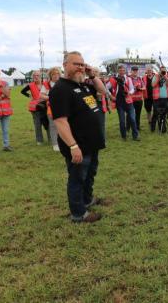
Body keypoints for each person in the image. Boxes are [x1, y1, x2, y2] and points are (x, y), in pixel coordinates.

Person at [50, 51, 106, 223]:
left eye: (82, 64)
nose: (80, 67)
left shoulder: (83, 85)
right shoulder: (60, 89)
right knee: (77, 178)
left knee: (90, 174)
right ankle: (78, 213)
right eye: (76, 64)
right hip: (78, 145)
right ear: (65, 65)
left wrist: (92, 75)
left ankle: (87, 200)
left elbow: (102, 91)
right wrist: (73, 146)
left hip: (92, 143)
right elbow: (60, 121)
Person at [109, 65, 140, 141]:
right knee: (122, 121)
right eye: (120, 70)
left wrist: (129, 92)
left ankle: (135, 136)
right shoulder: (113, 79)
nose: (122, 72)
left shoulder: (128, 79)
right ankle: (124, 136)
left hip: (129, 101)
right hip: (119, 102)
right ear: (118, 71)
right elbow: (106, 88)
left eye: (123, 70)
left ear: (125, 71)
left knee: (132, 119)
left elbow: (132, 89)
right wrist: (111, 96)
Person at [21, 70, 50, 145]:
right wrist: (29, 96)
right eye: (34, 76)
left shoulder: (45, 84)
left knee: (48, 123)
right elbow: (22, 91)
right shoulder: (30, 85)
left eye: (37, 75)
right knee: (37, 124)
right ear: (32, 77)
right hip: (35, 108)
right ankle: (39, 140)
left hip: (45, 106)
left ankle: (51, 138)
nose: (36, 77)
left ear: (40, 76)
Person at [42, 67, 61, 151]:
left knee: (64, 125)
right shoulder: (46, 84)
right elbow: (41, 95)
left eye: (57, 74)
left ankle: (63, 142)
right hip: (51, 108)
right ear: (50, 75)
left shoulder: (62, 83)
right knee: (53, 126)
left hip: (63, 107)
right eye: (54, 74)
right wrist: (51, 97)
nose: (56, 75)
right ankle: (55, 144)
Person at [151, 65, 168, 133]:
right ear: (159, 70)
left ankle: (162, 127)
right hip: (157, 98)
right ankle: (153, 127)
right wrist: (159, 76)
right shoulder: (156, 76)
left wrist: (165, 77)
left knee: (164, 114)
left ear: (166, 71)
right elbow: (153, 85)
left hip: (165, 98)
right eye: (162, 70)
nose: (163, 71)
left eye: (164, 70)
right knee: (155, 113)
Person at [127, 66, 145, 131]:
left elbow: (144, 87)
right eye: (134, 70)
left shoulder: (140, 78)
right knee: (129, 114)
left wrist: (140, 88)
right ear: (131, 71)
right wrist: (134, 88)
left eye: (136, 70)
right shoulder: (128, 79)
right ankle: (128, 127)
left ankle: (137, 126)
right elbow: (127, 88)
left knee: (138, 114)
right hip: (131, 100)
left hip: (139, 100)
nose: (135, 71)